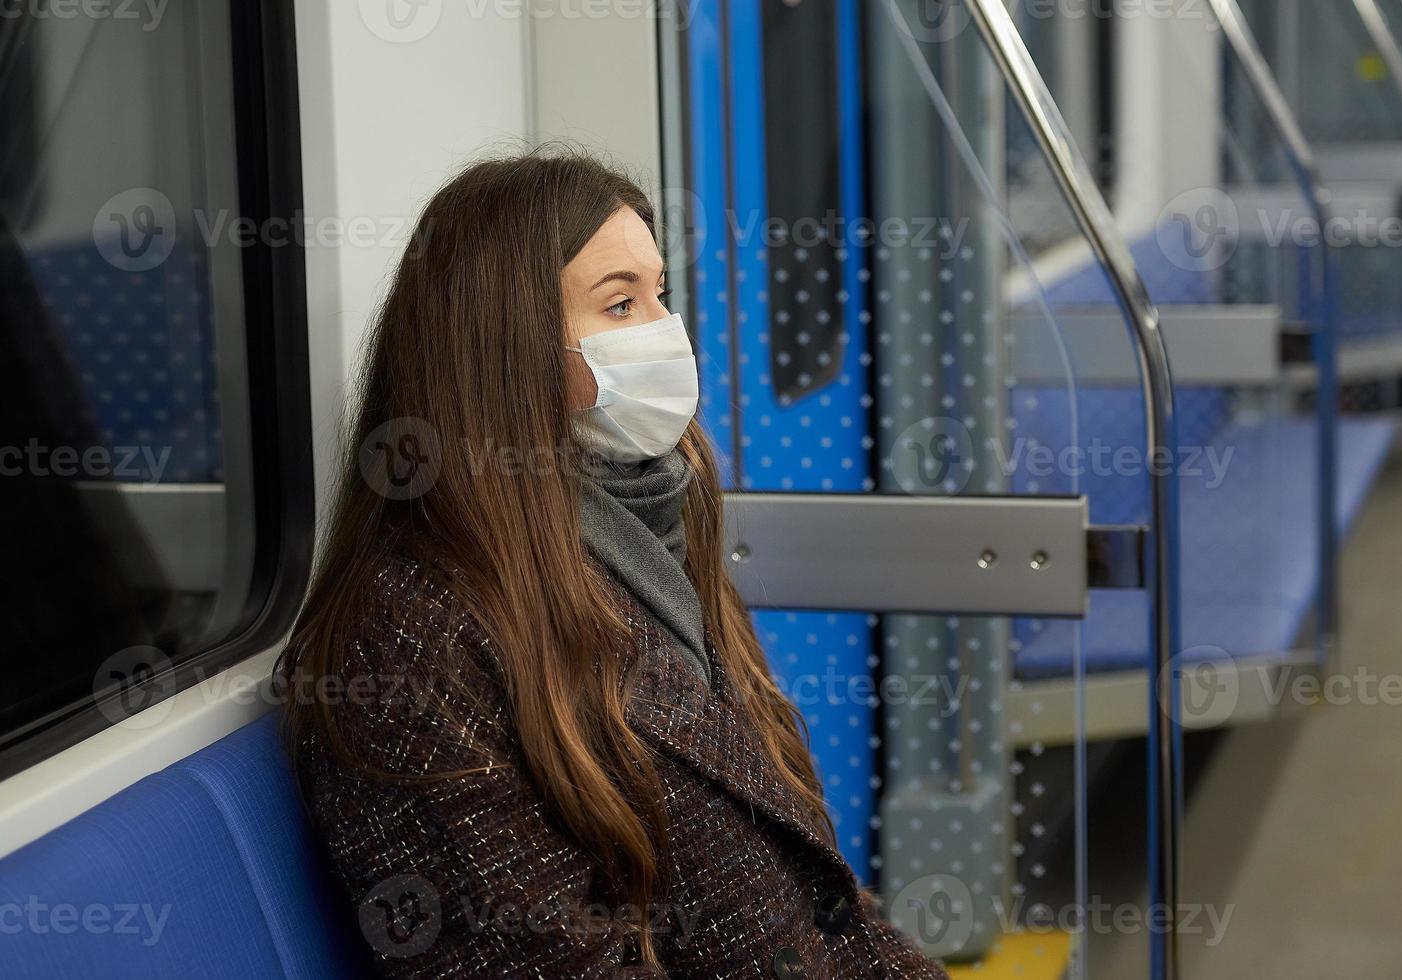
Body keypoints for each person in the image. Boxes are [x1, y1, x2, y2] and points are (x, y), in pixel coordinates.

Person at [277, 151, 945, 979]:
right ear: (505, 346)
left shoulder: (655, 537)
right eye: (621, 303)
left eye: (659, 294)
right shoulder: (409, 639)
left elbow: (826, 907)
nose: (666, 331)